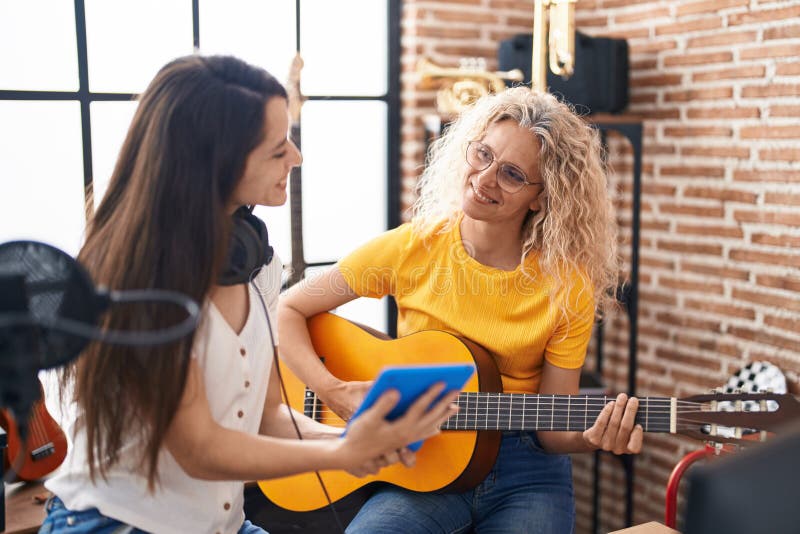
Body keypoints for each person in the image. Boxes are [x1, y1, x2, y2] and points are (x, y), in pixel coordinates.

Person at [40, 54, 458, 534]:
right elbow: (200, 449)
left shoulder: (254, 263)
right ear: (215, 164)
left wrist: (360, 438)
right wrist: (345, 451)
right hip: (114, 524)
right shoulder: (141, 282)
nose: (296, 158)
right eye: (278, 149)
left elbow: (268, 416)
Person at [277, 86, 644, 533]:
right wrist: (332, 389)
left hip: (524, 472)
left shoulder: (568, 287)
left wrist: (592, 437)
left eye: (511, 174)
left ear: (542, 197)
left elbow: (552, 428)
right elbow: (288, 308)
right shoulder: (412, 247)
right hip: (422, 461)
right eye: (482, 154)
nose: (485, 178)